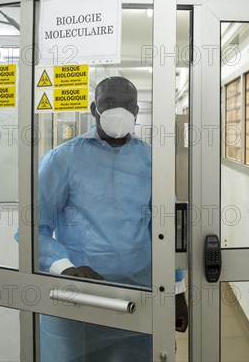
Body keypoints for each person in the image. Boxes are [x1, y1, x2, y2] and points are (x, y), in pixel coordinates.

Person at [37, 76, 187, 361]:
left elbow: (167, 228)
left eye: (128, 104)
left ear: (136, 111)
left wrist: (177, 291)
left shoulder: (152, 160)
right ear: (94, 109)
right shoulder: (65, 158)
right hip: (83, 295)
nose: (119, 110)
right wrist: (64, 267)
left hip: (140, 293)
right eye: (109, 102)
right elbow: (35, 226)